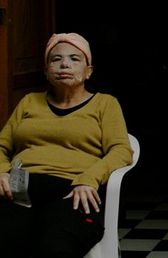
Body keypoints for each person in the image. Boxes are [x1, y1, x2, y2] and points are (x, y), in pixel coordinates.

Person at [0, 33, 133, 257]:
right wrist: (2, 171)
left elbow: (121, 150)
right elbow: (2, 146)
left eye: (74, 58)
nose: (64, 64)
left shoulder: (105, 104)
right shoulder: (29, 102)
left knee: (55, 245)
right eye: (56, 59)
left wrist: (89, 179)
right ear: (46, 71)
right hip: (19, 191)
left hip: (72, 192)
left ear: (88, 71)